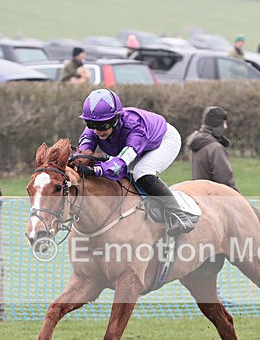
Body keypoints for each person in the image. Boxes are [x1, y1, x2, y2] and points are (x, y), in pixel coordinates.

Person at [74, 89, 194, 236]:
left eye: (102, 125)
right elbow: (83, 153)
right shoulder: (94, 128)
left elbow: (121, 163)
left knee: (141, 172)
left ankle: (180, 215)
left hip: (163, 140)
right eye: (91, 124)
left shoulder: (135, 127)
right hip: (135, 146)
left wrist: (95, 171)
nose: (97, 131)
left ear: (116, 119)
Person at [186, 106, 239, 193]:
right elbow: (225, 182)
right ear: (216, 125)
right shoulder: (215, 148)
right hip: (215, 200)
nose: (225, 126)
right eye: (223, 123)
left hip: (199, 197)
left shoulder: (196, 144)